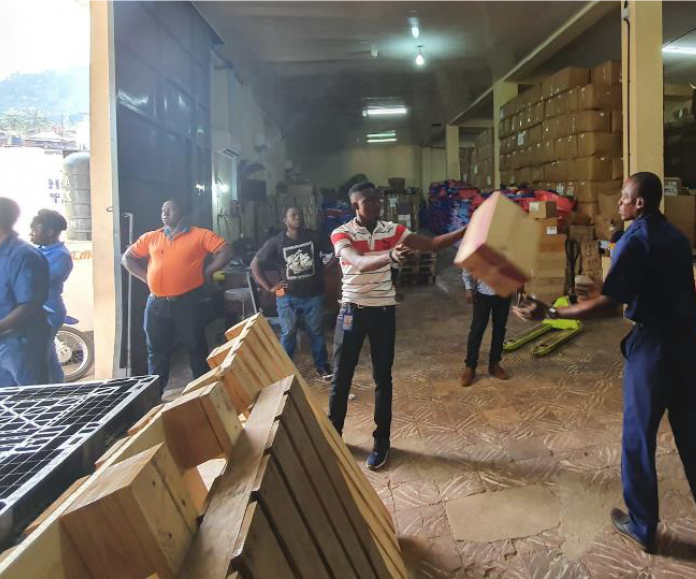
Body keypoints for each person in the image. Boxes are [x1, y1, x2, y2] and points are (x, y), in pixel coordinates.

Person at [513, 173, 696, 575]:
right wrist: (609, 286)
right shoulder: (676, 237)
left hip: (652, 350)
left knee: (638, 440)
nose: (618, 204)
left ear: (639, 204)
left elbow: (609, 307)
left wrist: (550, 312)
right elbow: (650, 285)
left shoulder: (633, 240)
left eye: (624, 198)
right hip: (687, 346)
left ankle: (643, 525)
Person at [329, 181, 467, 470]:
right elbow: (355, 261)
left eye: (379, 200)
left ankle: (382, 441)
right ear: (356, 205)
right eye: (370, 201)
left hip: (382, 312)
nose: (378, 205)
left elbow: (431, 244)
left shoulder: (393, 230)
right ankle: (332, 437)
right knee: (341, 378)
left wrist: (469, 228)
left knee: (383, 378)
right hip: (351, 311)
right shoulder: (341, 233)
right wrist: (391, 255)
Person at [123, 197, 233, 395]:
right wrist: (146, 278)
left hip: (187, 303)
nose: (165, 213)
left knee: (196, 348)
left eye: (170, 209)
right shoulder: (152, 237)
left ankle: (205, 394)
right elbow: (127, 258)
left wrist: (207, 272)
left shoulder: (200, 235)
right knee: (156, 351)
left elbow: (226, 251)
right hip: (156, 304)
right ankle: (153, 396)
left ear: (182, 212)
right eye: (163, 210)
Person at [0, 197, 52, 387]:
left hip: (23, 342)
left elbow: (28, 308)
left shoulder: (24, 255)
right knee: (0, 406)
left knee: (33, 404)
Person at [250, 206, 334, 378]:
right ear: (285, 220)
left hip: (314, 293)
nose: (298, 217)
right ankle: (284, 369)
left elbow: (335, 253)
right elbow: (254, 265)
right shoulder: (276, 241)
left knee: (316, 332)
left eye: (300, 214)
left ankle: (321, 365)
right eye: (293, 215)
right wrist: (269, 287)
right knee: (288, 333)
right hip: (285, 293)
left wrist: (323, 271)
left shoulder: (314, 236)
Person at [29, 209, 74, 383]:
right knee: (45, 354)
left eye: (35, 230)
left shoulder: (60, 255)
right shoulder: (38, 250)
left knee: (42, 354)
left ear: (49, 232)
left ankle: (55, 387)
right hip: (37, 308)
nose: (31, 233)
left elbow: (34, 281)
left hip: (50, 309)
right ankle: (57, 387)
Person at [459, 269, 511, 387]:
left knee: (500, 328)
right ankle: (470, 367)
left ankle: (494, 364)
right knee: (477, 330)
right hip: (483, 293)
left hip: (504, 292)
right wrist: (469, 288)